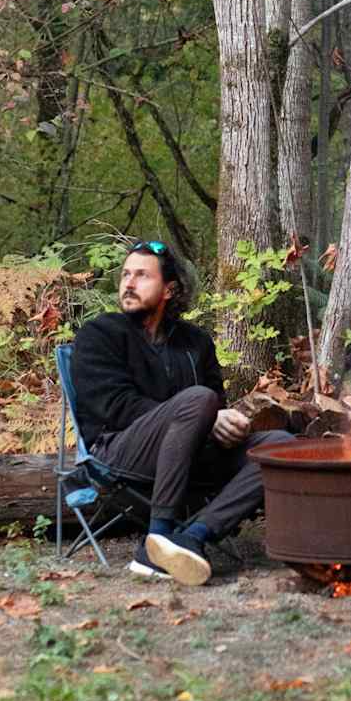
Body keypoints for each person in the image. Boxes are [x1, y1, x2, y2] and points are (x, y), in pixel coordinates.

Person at [69, 240, 295, 586]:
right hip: (120, 450)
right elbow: (115, 408)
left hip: (191, 453)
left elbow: (214, 404)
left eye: (142, 275)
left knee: (279, 444)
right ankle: (156, 538)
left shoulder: (195, 342)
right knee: (197, 399)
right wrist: (204, 413)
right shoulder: (101, 334)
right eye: (126, 274)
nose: (128, 283)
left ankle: (192, 537)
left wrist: (224, 424)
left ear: (169, 290)